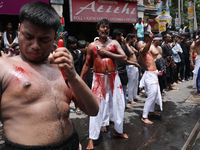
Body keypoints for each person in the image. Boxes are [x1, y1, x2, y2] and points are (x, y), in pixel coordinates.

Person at [0, 1, 99, 150]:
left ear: (54, 38)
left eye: (44, 40)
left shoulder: (62, 68)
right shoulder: (3, 67)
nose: (35, 45)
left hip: (71, 143)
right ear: (19, 30)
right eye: (28, 36)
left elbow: (93, 110)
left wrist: (72, 75)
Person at [81, 18, 128, 150]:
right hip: (98, 78)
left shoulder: (114, 43)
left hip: (114, 77)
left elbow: (124, 58)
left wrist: (108, 53)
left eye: (107, 27)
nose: (105, 29)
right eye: (102, 27)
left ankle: (118, 130)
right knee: (97, 107)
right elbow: (86, 64)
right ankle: (92, 138)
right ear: (98, 30)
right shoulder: (92, 46)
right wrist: (79, 80)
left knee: (119, 104)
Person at [138, 33, 163, 124]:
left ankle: (151, 111)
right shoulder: (142, 51)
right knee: (151, 96)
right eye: (143, 44)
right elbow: (145, 49)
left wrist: (157, 72)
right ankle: (144, 116)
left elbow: (152, 64)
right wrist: (150, 40)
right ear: (140, 46)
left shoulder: (148, 53)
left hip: (153, 74)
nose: (145, 45)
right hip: (149, 76)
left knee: (155, 94)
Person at [125, 33, 141, 104]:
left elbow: (137, 52)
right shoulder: (126, 47)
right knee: (131, 83)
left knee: (136, 82)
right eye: (134, 39)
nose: (135, 40)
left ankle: (134, 96)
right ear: (130, 39)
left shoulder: (131, 46)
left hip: (135, 66)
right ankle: (130, 99)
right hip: (130, 66)